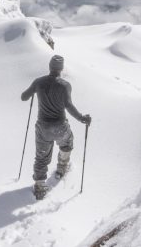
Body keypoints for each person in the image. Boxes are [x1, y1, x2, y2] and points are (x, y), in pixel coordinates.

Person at [21, 55, 91, 200]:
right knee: (67, 143)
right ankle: (62, 167)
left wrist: (33, 91)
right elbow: (68, 106)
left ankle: (40, 187)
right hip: (60, 126)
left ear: (49, 66)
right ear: (61, 69)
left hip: (42, 128)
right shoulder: (65, 85)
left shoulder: (38, 82)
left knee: (41, 156)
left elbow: (24, 97)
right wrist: (81, 118)